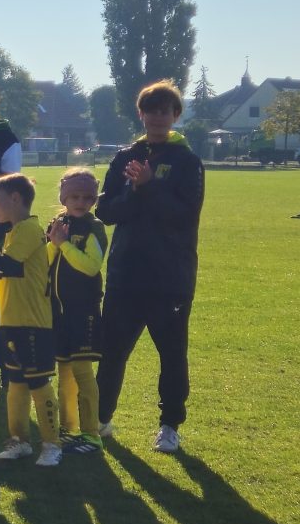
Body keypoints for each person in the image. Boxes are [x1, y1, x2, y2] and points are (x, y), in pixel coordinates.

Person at [95, 80, 205, 454]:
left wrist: (149, 188)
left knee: (172, 353)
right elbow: (105, 210)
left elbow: (186, 214)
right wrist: (135, 191)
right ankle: (100, 418)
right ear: (140, 114)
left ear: (175, 115)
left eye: (165, 110)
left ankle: (170, 425)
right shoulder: (126, 157)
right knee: (112, 351)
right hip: (126, 272)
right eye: (151, 110)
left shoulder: (187, 161)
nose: (158, 117)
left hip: (170, 276)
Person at [0, 174, 61, 466]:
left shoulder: (29, 229)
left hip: (33, 322)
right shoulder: (14, 231)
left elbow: (12, 267)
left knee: (38, 382)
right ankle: (19, 441)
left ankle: (52, 444)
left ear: (15, 198)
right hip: (11, 320)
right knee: (15, 382)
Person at [47, 169, 108, 459]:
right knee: (65, 373)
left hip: (83, 311)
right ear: (63, 197)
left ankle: (91, 434)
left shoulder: (94, 227)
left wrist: (65, 245)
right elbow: (46, 261)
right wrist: (53, 242)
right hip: (59, 313)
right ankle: (69, 430)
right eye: (74, 196)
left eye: (87, 197)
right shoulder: (58, 223)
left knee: (83, 373)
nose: (81, 202)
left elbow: (91, 266)